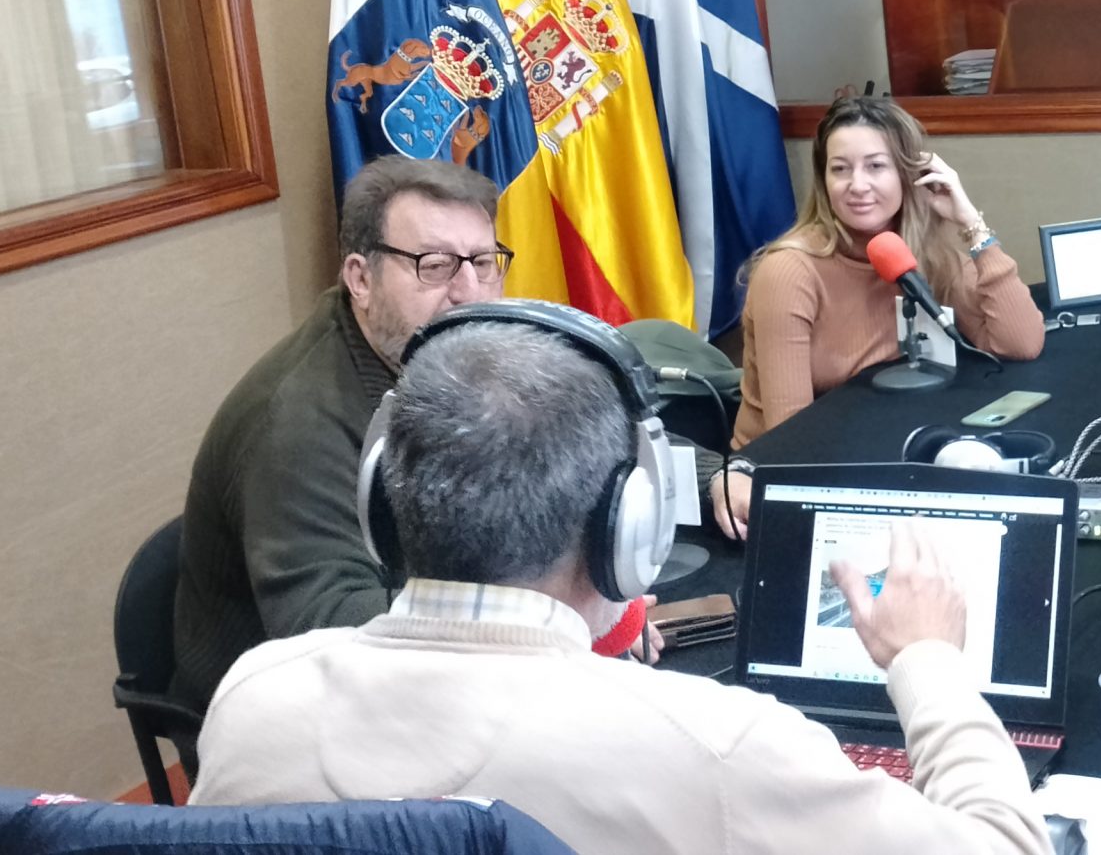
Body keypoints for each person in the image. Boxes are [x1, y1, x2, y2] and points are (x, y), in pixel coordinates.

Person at [191, 312, 1049, 855]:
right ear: (630, 528)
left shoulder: (254, 700)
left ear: (382, 503)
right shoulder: (714, 744)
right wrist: (928, 660)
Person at [171, 156, 509, 709]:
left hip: (419, 670)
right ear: (360, 279)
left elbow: (534, 469)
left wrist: (702, 478)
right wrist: (524, 619)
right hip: (284, 717)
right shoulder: (294, 425)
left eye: (483, 262)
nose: (469, 292)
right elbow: (332, 631)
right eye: (435, 265)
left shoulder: (438, 358)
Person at [716, 96, 1044, 526]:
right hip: (784, 479)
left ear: (910, 174)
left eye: (876, 166)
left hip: (885, 448)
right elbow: (791, 439)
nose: (857, 185)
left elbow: (1020, 342)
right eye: (840, 169)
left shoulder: (919, 251)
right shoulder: (790, 271)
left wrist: (969, 222)